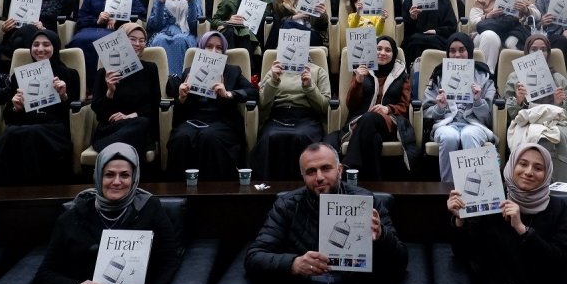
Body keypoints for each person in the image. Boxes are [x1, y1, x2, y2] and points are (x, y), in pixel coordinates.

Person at [244, 142, 408, 284]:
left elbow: (401, 259)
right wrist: (294, 263)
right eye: (311, 172)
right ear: (303, 176)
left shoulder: (366, 201)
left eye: (326, 168)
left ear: (340, 170)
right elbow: (254, 257)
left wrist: (382, 236)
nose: (319, 177)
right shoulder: (287, 205)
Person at [33, 143, 182, 284]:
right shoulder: (72, 216)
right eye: (109, 175)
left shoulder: (150, 209)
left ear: (134, 178)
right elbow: (45, 274)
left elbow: (170, 260)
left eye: (125, 175)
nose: (117, 182)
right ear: (98, 176)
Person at [448, 143, 567, 284]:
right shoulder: (491, 203)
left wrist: (523, 230)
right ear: (512, 165)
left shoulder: (557, 207)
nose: (529, 172)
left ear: (547, 174)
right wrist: (460, 220)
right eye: (522, 164)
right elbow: (463, 253)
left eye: (538, 168)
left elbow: (560, 262)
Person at [0, 29, 79, 185]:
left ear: (55, 47)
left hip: (53, 128)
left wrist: (64, 96)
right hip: (24, 124)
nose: (40, 49)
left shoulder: (69, 74)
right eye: (35, 45)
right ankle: (6, 194)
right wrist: (15, 107)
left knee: (32, 134)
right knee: (11, 133)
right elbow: (8, 116)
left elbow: (74, 112)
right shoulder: (19, 76)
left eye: (46, 44)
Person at [165, 31, 258, 179]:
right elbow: (179, 107)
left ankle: (215, 190)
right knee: (181, 138)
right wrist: (181, 97)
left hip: (222, 121)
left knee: (209, 138)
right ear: (202, 49)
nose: (214, 51)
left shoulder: (232, 71)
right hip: (192, 120)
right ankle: (178, 191)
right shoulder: (190, 71)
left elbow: (252, 92)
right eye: (209, 47)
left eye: (219, 48)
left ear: (224, 52)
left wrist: (228, 94)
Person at [334, 36, 417, 180]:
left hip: (389, 121)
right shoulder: (362, 70)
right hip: (362, 122)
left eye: (388, 50)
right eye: (378, 49)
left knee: (369, 118)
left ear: (394, 54)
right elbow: (351, 105)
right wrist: (358, 82)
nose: (382, 53)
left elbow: (405, 106)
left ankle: (348, 166)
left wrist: (388, 109)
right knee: (373, 139)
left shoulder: (401, 75)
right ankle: (375, 182)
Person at [503, 34, 567, 184]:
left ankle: (562, 185)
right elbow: (509, 115)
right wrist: (519, 101)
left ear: (548, 53)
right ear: (527, 51)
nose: (539, 53)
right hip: (526, 122)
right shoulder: (514, 77)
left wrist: (559, 103)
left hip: (553, 122)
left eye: (544, 50)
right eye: (534, 49)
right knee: (534, 136)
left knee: (562, 134)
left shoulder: (559, 78)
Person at [423, 32, 497, 183]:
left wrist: (478, 100)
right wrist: (439, 107)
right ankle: (448, 189)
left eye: (462, 50)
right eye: (452, 50)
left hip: (474, 124)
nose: (457, 55)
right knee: (449, 137)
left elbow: (489, 116)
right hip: (446, 124)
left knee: (468, 135)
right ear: (447, 53)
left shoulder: (484, 76)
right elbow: (426, 112)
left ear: (469, 52)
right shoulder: (438, 75)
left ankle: (474, 192)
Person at [250, 51, 332, 181]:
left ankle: (305, 186)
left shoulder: (317, 71)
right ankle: (266, 189)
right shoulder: (275, 70)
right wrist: (274, 80)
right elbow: (262, 103)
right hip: (278, 116)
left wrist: (309, 86)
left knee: (301, 136)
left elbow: (324, 107)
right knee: (270, 137)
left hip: (306, 117)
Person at [68, 0, 146, 87]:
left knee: (110, 41)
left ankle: (107, 84)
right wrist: (97, 20)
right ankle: (86, 86)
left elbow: (141, 11)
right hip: (91, 29)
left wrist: (118, 18)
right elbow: (81, 20)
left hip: (115, 30)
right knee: (80, 41)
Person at [90, 22, 161, 156]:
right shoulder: (104, 72)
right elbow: (99, 111)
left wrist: (131, 115)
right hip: (112, 128)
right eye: (132, 39)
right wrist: (110, 92)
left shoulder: (150, 69)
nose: (138, 44)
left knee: (142, 123)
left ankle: (110, 152)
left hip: (139, 123)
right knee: (138, 128)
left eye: (142, 40)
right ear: (120, 41)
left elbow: (155, 104)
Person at [468, 0, 538, 71]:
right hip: (486, 33)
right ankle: (487, 76)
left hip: (511, 32)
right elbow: (473, 21)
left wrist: (526, 10)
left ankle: (515, 80)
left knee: (513, 42)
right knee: (490, 36)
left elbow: (537, 15)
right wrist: (488, 16)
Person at [211, 0, 267, 65]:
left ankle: (243, 73)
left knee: (246, 35)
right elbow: (214, 20)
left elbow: (267, 26)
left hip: (252, 37)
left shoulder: (266, 1)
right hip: (230, 33)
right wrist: (228, 21)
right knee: (230, 31)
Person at [401, 0, 457, 66]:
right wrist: (412, 19)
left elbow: (451, 26)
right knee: (415, 42)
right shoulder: (411, 2)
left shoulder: (443, 2)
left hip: (438, 38)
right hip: (415, 38)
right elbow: (405, 30)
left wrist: (436, 31)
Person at [146, 0, 204, 77]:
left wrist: (191, 2)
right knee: (159, 40)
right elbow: (156, 27)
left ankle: (178, 81)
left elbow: (194, 26)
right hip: (164, 32)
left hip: (187, 33)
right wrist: (160, 3)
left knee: (180, 40)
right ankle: (161, 81)